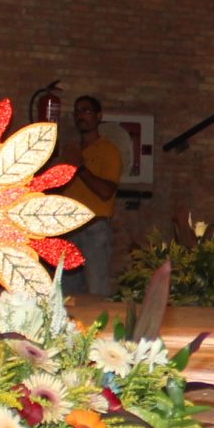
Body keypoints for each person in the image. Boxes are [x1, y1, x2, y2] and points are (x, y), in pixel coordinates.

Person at [68, 93, 122, 298]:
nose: (81, 115)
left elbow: (106, 192)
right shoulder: (71, 150)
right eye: (77, 112)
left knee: (96, 292)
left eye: (86, 111)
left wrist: (80, 167)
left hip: (94, 231)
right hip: (69, 230)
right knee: (67, 295)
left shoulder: (109, 151)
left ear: (99, 116)